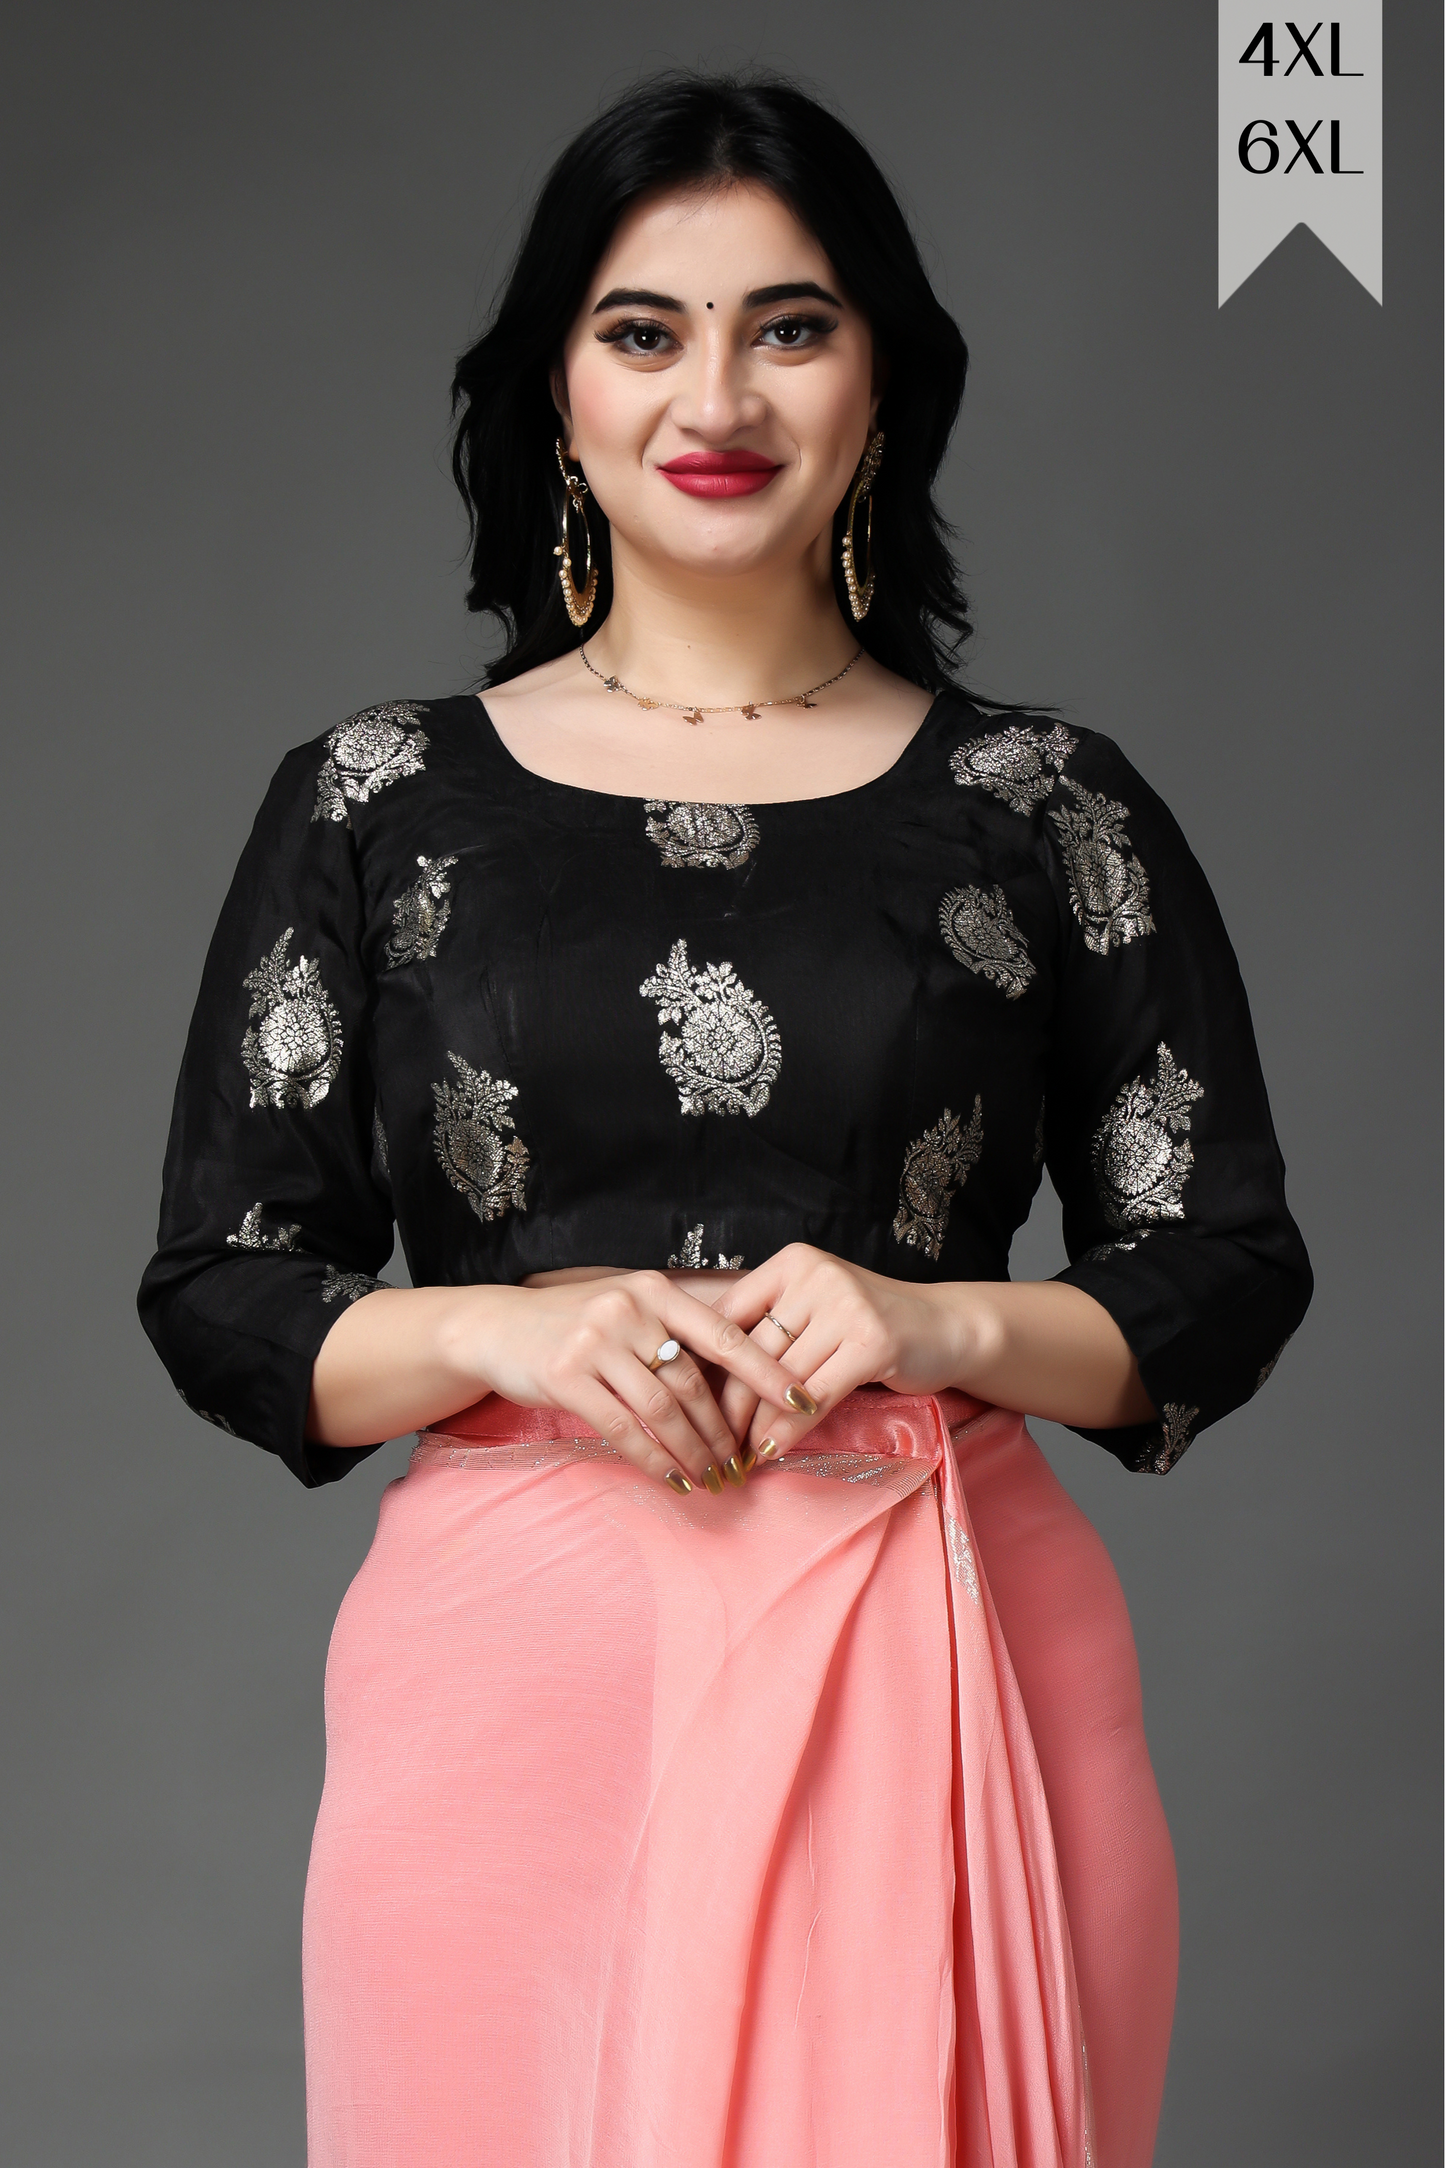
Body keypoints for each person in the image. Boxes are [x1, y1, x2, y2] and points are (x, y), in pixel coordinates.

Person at [138, 70, 1312, 2168]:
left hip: (953, 1645)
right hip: (515, 1698)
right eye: (643, 329)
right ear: (558, 392)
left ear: (881, 381)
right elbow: (229, 1285)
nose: (718, 396)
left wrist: (939, 1323)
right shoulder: (375, 798)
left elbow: (1218, 1266)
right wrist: (505, 1331)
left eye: (789, 326)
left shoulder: (1047, 803)